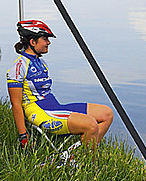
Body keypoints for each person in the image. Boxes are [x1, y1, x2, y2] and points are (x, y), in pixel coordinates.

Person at [7, 19, 113, 154]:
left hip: (54, 106)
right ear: (32, 42)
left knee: (106, 114)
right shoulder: (18, 67)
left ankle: (77, 156)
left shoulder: (41, 62)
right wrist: (23, 136)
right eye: (45, 39)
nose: (48, 42)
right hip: (39, 112)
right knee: (90, 124)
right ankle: (87, 165)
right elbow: (15, 104)